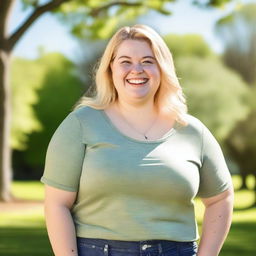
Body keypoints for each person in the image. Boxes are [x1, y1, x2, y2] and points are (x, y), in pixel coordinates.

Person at [41, 24, 234, 256]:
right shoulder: (80, 124)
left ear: (162, 68)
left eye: (147, 61)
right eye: (125, 61)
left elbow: (221, 198)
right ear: (110, 68)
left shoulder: (192, 131)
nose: (137, 69)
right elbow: (56, 204)